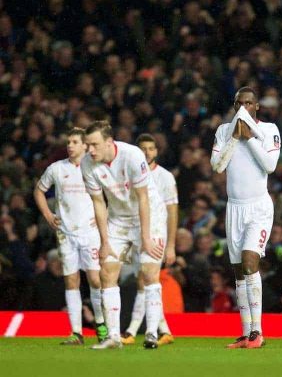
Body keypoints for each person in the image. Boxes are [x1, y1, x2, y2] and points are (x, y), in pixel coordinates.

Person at [81, 121, 167, 349]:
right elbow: (99, 204)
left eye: (94, 144)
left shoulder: (132, 155)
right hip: (118, 219)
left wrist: (146, 238)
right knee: (107, 273)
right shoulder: (87, 164)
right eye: (88, 145)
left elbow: (143, 198)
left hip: (149, 216)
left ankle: (150, 333)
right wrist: (105, 242)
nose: (90, 150)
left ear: (109, 142)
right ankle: (113, 337)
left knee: (149, 273)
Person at [210, 86, 280, 349]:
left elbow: (271, 166)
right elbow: (217, 166)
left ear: (257, 106)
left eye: (249, 103)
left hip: (259, 207)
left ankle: (257, 332)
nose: (244, 108)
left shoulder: (269, 130)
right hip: (234, 208)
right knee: (239, 271)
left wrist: (249, 138)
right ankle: (245, 332)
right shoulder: (223, 130)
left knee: (251, 261)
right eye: (240, 103)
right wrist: (234, 139)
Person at [33, 127, 107, 345]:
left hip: (90, 233)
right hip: (66, 234)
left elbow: (114, 193)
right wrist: (47, 214)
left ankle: (101, 323)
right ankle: (76, 332)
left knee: (95, 279)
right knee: (71, 280)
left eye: (75, 142)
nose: (70, 145)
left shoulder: (96, 167)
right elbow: (38, 190)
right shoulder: (57, 168)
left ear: (85, 145)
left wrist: (106, 217)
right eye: (68, 141)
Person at [121, 134, 178, 346]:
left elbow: (172, 212)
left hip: (155, 234)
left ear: (156, 151)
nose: (147, 152)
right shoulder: (130, 175)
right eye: (143, 148)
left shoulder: (165, 177)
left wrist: (171, 245)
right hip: (134, 233)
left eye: (151, 148)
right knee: (144, 281)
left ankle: (133, 330)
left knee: (148, 279)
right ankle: (164, 329)